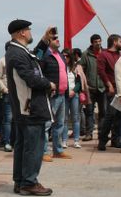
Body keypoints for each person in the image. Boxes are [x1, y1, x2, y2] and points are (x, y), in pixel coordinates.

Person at [6, 19, 54, 196]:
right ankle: (29, 182)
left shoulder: (19, 51)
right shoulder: (17, 53)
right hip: (29, 107)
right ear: (21, 33)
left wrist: (44, 40)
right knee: (33, 147)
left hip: (25, 107)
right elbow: (31, 78)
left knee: (23, 146)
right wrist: (49, 84)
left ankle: (20, 181)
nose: (30, 32)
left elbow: (36, 57)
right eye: (28, 29)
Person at [35, 26, 72, 161]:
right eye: (54, 38)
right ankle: (43, 151)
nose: (57, 40)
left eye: (57, 38)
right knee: (46, 125)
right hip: (51, 95)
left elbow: (64, 74)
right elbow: (37, 60)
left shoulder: (61, 55)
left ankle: (58, 150)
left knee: (60, 125)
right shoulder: (44, 55)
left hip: (62, 95)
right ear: (49, 41)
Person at [97, 34, 121, 150]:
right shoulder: (103, 55)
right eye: (120, 41)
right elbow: (101, 71)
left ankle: (115, 139)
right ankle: (102, 140)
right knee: (110, 115)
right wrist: (108, 85)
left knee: (118, 116)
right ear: (114, 42)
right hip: (112, 89)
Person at [79, 34, 106, 141]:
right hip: (90, 89)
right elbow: (81, 71)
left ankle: (101, 133)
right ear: (92, 43)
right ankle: (89, 133)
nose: (98, 43)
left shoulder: (105, 53)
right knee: (89, 112)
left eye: (99, 41)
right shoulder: (86, 54)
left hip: (103, 88)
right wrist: (84, 86)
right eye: (96, 42)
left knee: (103, 112)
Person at [61, 49, 86, 149]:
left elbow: (79, 82)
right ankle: (64, 140)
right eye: (63, 56)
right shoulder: (61, 67)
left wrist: (74, 91)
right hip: (64, 94)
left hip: (74, 94)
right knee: (65, 119)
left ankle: (76, 140)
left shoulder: (76, 67)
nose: (65, 58)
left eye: (67, 56)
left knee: (76, 118)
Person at [0, 54, 13, 152]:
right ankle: (7, 142)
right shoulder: (2, 61)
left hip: (20, 94)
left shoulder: (21, 59)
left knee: (18, 119)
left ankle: (15, 141)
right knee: (8, 119)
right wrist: (5, 89)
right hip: (8, 94)